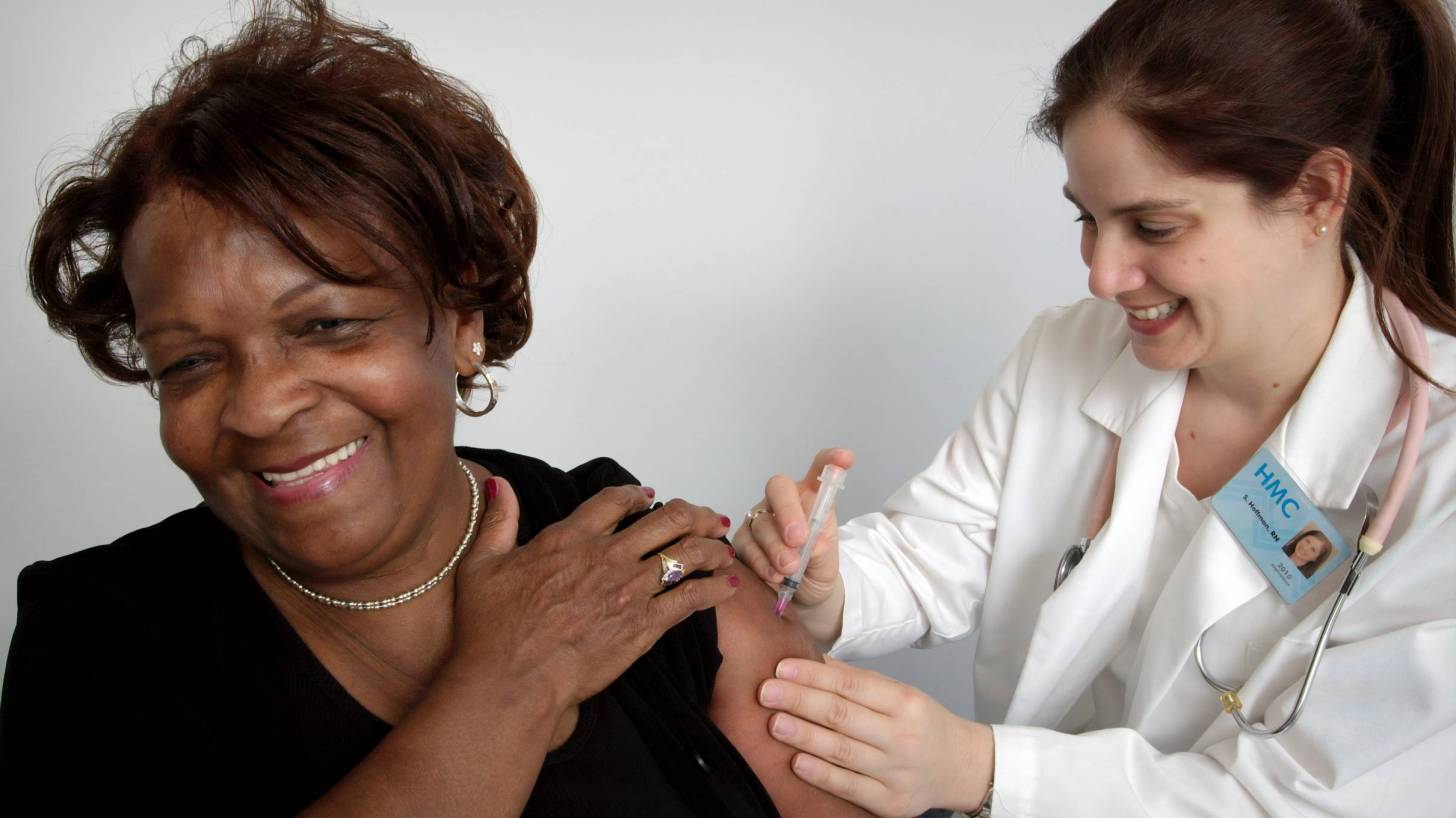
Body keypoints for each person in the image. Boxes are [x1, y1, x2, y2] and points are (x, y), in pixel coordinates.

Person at [0, 2, 870, 816]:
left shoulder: (628, 552)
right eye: (189, 360)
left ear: (464, 323)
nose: (261, 408)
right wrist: (514, 679)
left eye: (328, 324)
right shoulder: (97, 644)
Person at [734, 0, 1456, 815]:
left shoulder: (1439, 469)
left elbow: (1307, 798)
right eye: (1088, 219)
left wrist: (986, 771)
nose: (1102, 276)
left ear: (1320, 193)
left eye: (1153, 225)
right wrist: (835, 588)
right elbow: (941, 547)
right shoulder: (1069, 353)